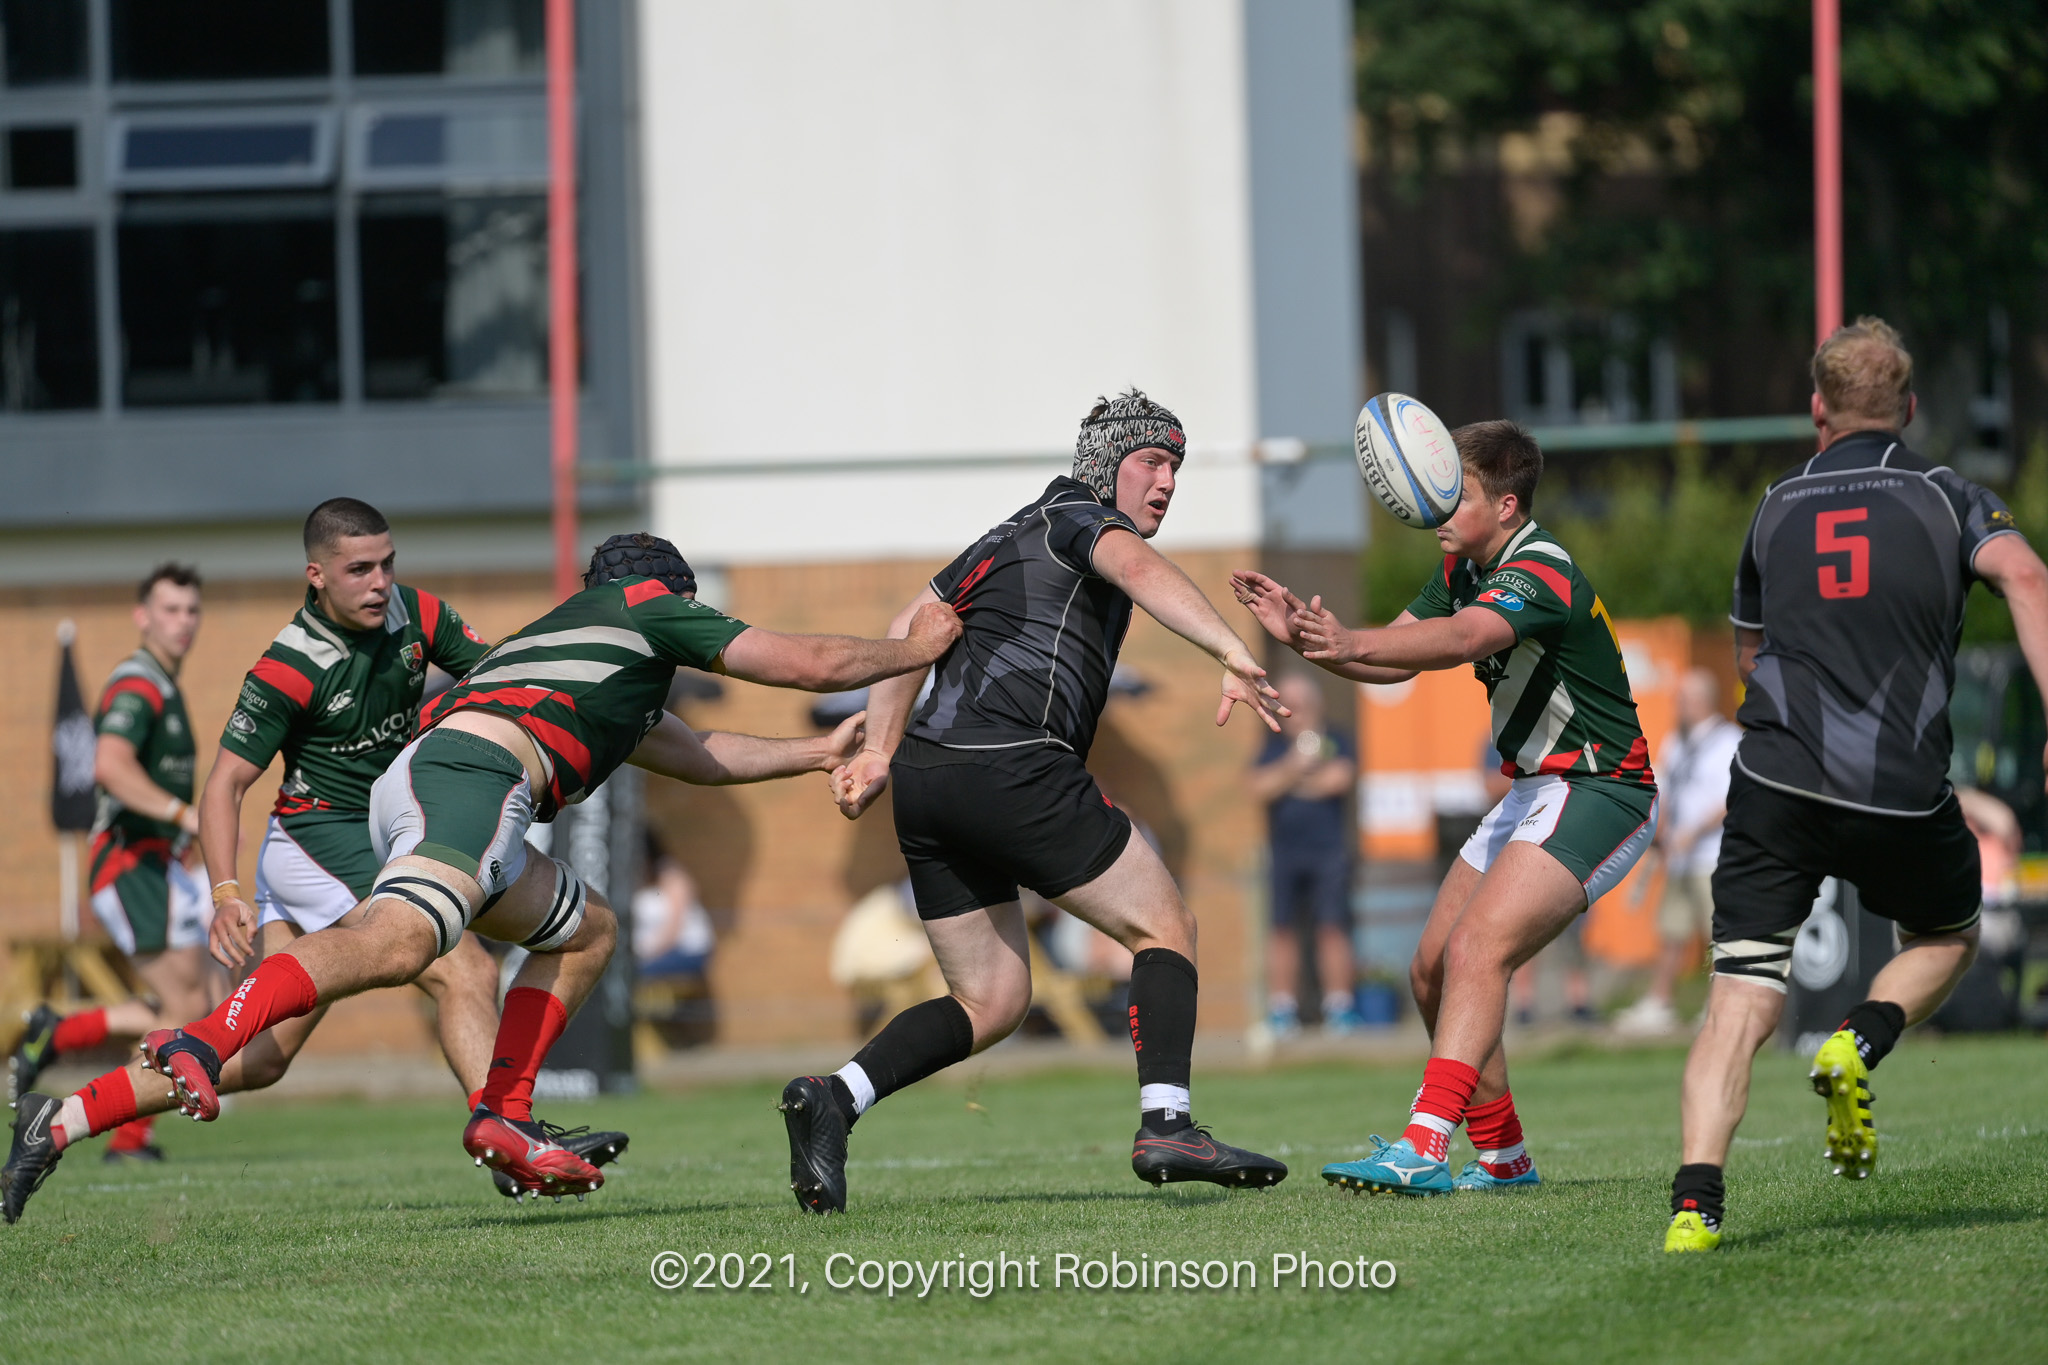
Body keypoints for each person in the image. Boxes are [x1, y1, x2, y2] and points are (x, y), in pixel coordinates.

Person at [3, 533, 960, 1223]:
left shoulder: (591, 660)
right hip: (471, 778)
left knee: (585, 931)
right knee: (403, 944)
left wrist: (810, 755)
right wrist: (917, 650)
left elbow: (697, 753)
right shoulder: (647, 607)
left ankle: (75, 1110)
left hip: (436, 775)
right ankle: (208, 1038)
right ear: (663, 594)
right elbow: (808, 659)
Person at [786, 389, 1291, 1215]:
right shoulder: (1083, 519)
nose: (1166, 482)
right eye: (1152, 462)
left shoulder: (1010, 532)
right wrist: (1233, 650)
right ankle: (1168, 1121)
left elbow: (913, 622)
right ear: (1105, 466)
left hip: (929, 781)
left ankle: (833, 1098)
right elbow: (1134, 566)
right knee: (1166, 924)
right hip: (1011, 762)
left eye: (1177, 467)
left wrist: (881, 749)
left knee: (992, 1000)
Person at [1662, 317, 2048, 1253]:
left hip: (1774, 784)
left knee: (1741, 998)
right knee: (1949, 933)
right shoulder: (1948, 494)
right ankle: (1859, 1038)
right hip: (1897, 790)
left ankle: (1695, 1207)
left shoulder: (1775, 502)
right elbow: (2027, 576)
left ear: (1816, 410)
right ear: (1909, 410)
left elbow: (1752, 652)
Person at [1233, 419, 1657, 1196]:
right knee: (1431, 969)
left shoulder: (1540, 567)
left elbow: (1462, 639)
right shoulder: (1462, 562)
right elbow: (1388, 656)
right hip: (1534, 788)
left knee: (1476, 951)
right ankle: (1504, 1160)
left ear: (1505, 505)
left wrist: (1344, 640)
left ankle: (1424, 1142)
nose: (1436, 507)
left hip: (1603, 787)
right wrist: (1306, 638)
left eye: (1455, 492)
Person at [186, 498, 605, 1198]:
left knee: (259, 1061)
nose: (380, 582)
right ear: (316, 575)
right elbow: (224, 785)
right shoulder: (287, 665)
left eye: (387, 563)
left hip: (381, 826)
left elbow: (498, 678)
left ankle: (83, 1103)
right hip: (318, 836)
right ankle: (507, 1132)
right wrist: (225, 891)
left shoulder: (417, 616)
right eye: (359, 569)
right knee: (462, 967)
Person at [9, 564, 214, 1163]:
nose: (183, 622)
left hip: (157, 866)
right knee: (185, 1008)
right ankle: (125, 1138)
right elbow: (110, 766)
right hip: (128, 866)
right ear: (142, 616)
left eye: (191, 610)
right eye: (170, 610)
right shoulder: (138, 684)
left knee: (190, 1002)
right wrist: (185, 815)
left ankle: (57, 1032)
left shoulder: (165, 685)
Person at [1615, 667, 1742, 1035]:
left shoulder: (1728, 741)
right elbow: (1666, 790)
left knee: (1718, 935)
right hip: (1680, 858)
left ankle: (1719, 1005)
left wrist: (1695, 831)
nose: (1678, 705)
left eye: (1684, 699)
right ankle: (1660, 1002)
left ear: (1703, 701)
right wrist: (1664, 829)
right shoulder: (1676, 741)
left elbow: (1730, 799)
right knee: (1672, 931)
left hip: (1713, 856)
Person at [1246, 673, 1361, 1034]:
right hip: (1284, 850)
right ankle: (1282, 1010)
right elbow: (1256, 787)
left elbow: (1337, 780)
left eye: (1302, 705)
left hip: (1329, 850)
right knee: (1281, 928)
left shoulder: (1337, 739)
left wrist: (1289, 783)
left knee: (1333, 926)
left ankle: (1340, 1008)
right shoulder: (1274, 746)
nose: (1295, 712)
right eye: (1288, 706)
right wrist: (1293, 768)